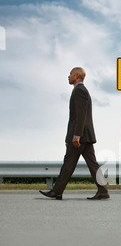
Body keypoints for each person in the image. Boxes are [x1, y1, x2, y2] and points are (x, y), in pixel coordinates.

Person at [40, 67, 109, 201]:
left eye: (71, 74)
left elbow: (80, 116)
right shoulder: (81, 91)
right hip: (85, 135)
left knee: (69, 163)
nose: (68, 76)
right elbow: (76, 117)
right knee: (92, 164)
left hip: (81, 136)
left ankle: (57, 192)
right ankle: (103, 190)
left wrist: (76, 135)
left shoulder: (79, 91)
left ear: (77, 76)